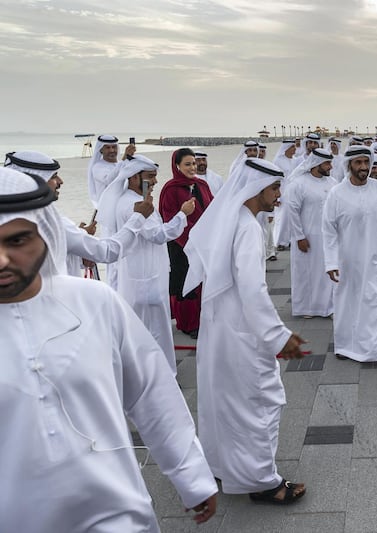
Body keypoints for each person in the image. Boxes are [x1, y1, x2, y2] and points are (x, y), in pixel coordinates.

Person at [0, 167, 217, 530]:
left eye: (18, 241)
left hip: (116, 511)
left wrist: (191, 475)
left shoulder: (95, 302)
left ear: (46, 236)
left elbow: (151, 392)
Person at [183, 157, 308, 504]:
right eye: (274, 188)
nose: (278, 195)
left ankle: (225, 467)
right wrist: (279, 337)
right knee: (260, 403)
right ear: (256, 189)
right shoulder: (249, 228)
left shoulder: (233, 220)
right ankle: (263, 482)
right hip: (243, 334)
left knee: (225, 402)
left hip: (221, 330)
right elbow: (253, 290)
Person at [98, 154, 195, 375]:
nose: (154, 182)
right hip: (145, 281)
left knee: (148, 331)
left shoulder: (136, 199)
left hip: (145, 275)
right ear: (134, 178)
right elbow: (157, 235)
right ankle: (160, 377)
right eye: (150, 177)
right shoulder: (133, 204)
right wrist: (182, 214)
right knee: (153, 331)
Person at [322, 145, 377, 368]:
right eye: (358, 163)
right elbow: (328, 230)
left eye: (366, 163)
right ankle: (345, 346)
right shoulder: (336, 193)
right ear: (349, 164)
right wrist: (331, 262)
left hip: (375, 258)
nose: (363, 167)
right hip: (347, 262)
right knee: (347, 303)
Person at [5, 150, 151, 278]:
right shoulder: (52, 222)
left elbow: (51, 262)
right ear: (35, 181)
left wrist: (78, 254)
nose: (60, 181)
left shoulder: (12, 218)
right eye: (53, 177)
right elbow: (108, 251)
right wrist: (138, 217)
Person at [159, 148, 213, 339]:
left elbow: (212, 209)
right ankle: (188, 323)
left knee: (202, 280)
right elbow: (168, 218)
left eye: (194, 163)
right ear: (177, 166)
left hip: (203, 243)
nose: (193, 167)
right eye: (187, 164)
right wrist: (188, 242)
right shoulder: (170, 189)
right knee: (185, 282)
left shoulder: (202, 185)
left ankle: (203, 318)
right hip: (181, 244)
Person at [284, 148, 336, 318]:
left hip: (328, 238)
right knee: (306, 273)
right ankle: (306, 308)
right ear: (316, 164)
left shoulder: (333, 183)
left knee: (326, 272)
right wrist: (299, 237)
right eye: (327, 163)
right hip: (307, 237)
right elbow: (292, 211)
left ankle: (327, 307)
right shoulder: (298, 184)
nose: (330, 167)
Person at [86, 134, 135, 207]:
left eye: (114, 147)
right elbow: (110, 180)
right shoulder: (97, 167)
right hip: (106, 208)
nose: (112, 150)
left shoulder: (122, 163)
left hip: (123, 207)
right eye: (107, 148)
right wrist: (125, 158)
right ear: (101, 150)